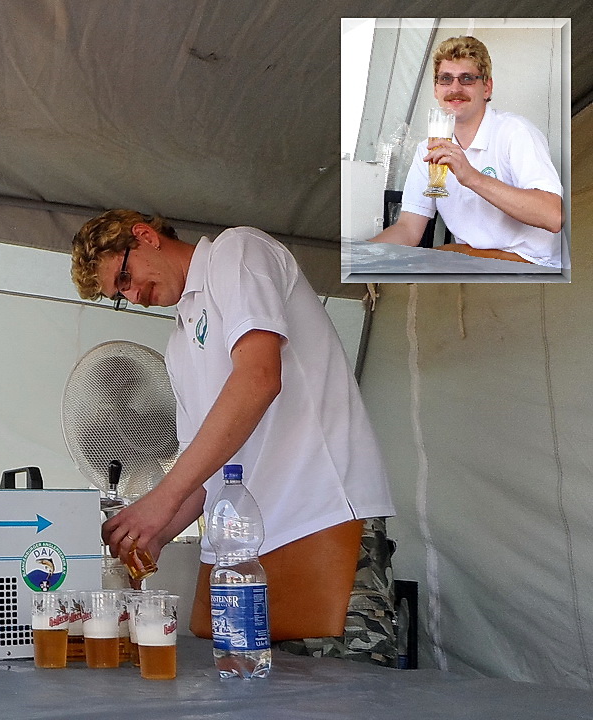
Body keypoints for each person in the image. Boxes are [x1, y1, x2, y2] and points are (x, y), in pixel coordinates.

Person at [71, 210, 398, 665]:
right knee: (253, 692)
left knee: (349, 689)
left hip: (320, 516)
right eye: (120, 296)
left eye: (125, 277)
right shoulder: (179, 344)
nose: (134, 296)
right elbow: (202, 466)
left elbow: (259, 377)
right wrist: (155, 533)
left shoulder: (237, 251)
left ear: (145, 236)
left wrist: (161, 500)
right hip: (244, 547)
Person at [369, 36, 563, 267]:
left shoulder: (515, 132)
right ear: (436, 89)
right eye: (445, 79)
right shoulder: (428, 149)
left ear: (487, 88)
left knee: (437, 258)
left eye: (467, 79)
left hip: (534, 264)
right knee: (419, 261)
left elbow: (553, 216)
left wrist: (471, 177)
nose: (455, 89)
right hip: (473, 261)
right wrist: (361, 256)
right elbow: (409, 229)